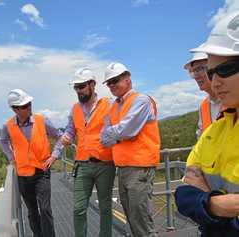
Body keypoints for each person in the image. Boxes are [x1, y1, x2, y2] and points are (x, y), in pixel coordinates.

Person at [175, 11, 239, 237]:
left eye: (226, 69)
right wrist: (217, 205)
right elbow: (184, 193)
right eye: (211, 72)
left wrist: (206, 203)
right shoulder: (217, 128)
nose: (214, 81)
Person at [100, 62, 160, 237]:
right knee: (132, 218)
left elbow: (127, 130)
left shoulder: (141, 100)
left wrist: (119, 134)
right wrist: (121, 134)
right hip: (124, 167)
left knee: (141, 219)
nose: (112, 85)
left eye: (115, 80)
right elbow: (104, 138)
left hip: (140, 166)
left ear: (128, 78)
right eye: (109, 83)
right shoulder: (113, 107)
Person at [57, 68, 116, 237]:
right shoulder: (75, 109)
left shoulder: (108, 104)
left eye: (81, 86)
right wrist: (66, 138)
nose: (78, 91)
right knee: (79, 208)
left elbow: (118, 128)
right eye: (76, 87)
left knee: (105, 207)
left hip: (105, 164)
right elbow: (70, 130)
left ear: (92, 85)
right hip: (82, 164)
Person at [0, 89, 61, 237]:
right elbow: (2, 140)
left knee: (45, 209)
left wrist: (54, 156)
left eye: (29, 104)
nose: (29, 107)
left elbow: (59, 136)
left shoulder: (42, 120)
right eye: (25, 105)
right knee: (32, 211)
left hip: (42, 171)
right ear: (15, 109)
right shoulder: (8, 126)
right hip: (23, 174)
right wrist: (10, 156)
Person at [184, 52, 223, 137]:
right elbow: (202, 138)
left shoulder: (233, 98)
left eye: (199, 69)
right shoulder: (204, 107)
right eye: (193, 72)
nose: (196, 76)